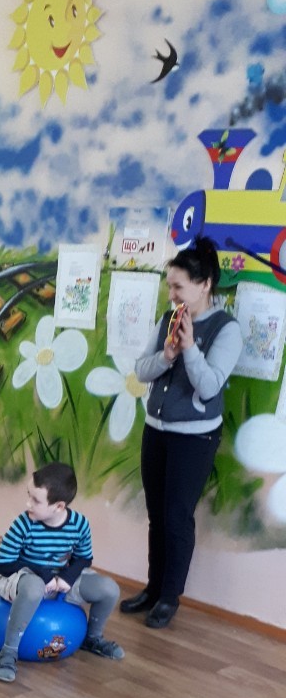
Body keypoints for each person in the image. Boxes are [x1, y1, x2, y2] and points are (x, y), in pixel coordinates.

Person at [120, 237, 243, 629]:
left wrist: (189, 349)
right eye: (169, 286)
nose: (171, 294)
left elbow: (209, 387)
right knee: (157, 516)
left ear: (204, 284)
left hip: (195, 437)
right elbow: (142, 370)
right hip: (156, 429)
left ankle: (169, 597)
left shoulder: (226, 329)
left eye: (178, 287)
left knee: (177, 517)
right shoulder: (168, 319)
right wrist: (168, 354)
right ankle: (153, 588)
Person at [0, 462, 124, 683]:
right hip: (24, 579)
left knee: (110, 589)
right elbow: (3, 564)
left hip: (58, 582)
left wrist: (67, 577)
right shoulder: (23, 523)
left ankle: (92, 638)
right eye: (29, 495)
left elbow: (84, 558)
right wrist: (42, 574)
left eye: (36, 500)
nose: (28, 504)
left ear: (59, 506)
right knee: (34, 587)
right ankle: (8, 652)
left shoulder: (79, 524)